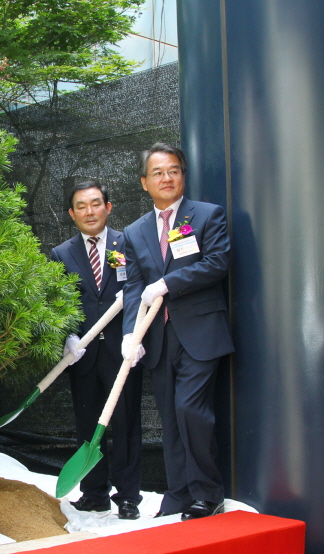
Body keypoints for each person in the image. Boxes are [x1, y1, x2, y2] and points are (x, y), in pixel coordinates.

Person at [121, 143, 233, 521]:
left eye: (173, 170)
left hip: (201, 333)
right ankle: (179, 493)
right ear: (144, 182)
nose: (166, 178)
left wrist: (168, 283)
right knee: (169, 418)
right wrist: (129, 335)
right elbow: (134, 287)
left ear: (183, 175)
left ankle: (208, 493)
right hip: (158, 338)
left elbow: (217, 262)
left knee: (190, 410)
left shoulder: (205, 215)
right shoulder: (135, 232)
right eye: (157, 172)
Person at [50, 181, 144, 520]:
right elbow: (59, 303)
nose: (89, 212)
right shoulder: (61, 254)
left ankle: (129, 496)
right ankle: (93, 494)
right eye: (81, 206)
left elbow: (138, 291)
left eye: (95, 204)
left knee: (125, 423)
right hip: (84, 356)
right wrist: (68, 337)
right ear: (72, 214)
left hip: (123, 352)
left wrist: (135, 335)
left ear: (109, 206)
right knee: (88, 423)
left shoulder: (128, 243)